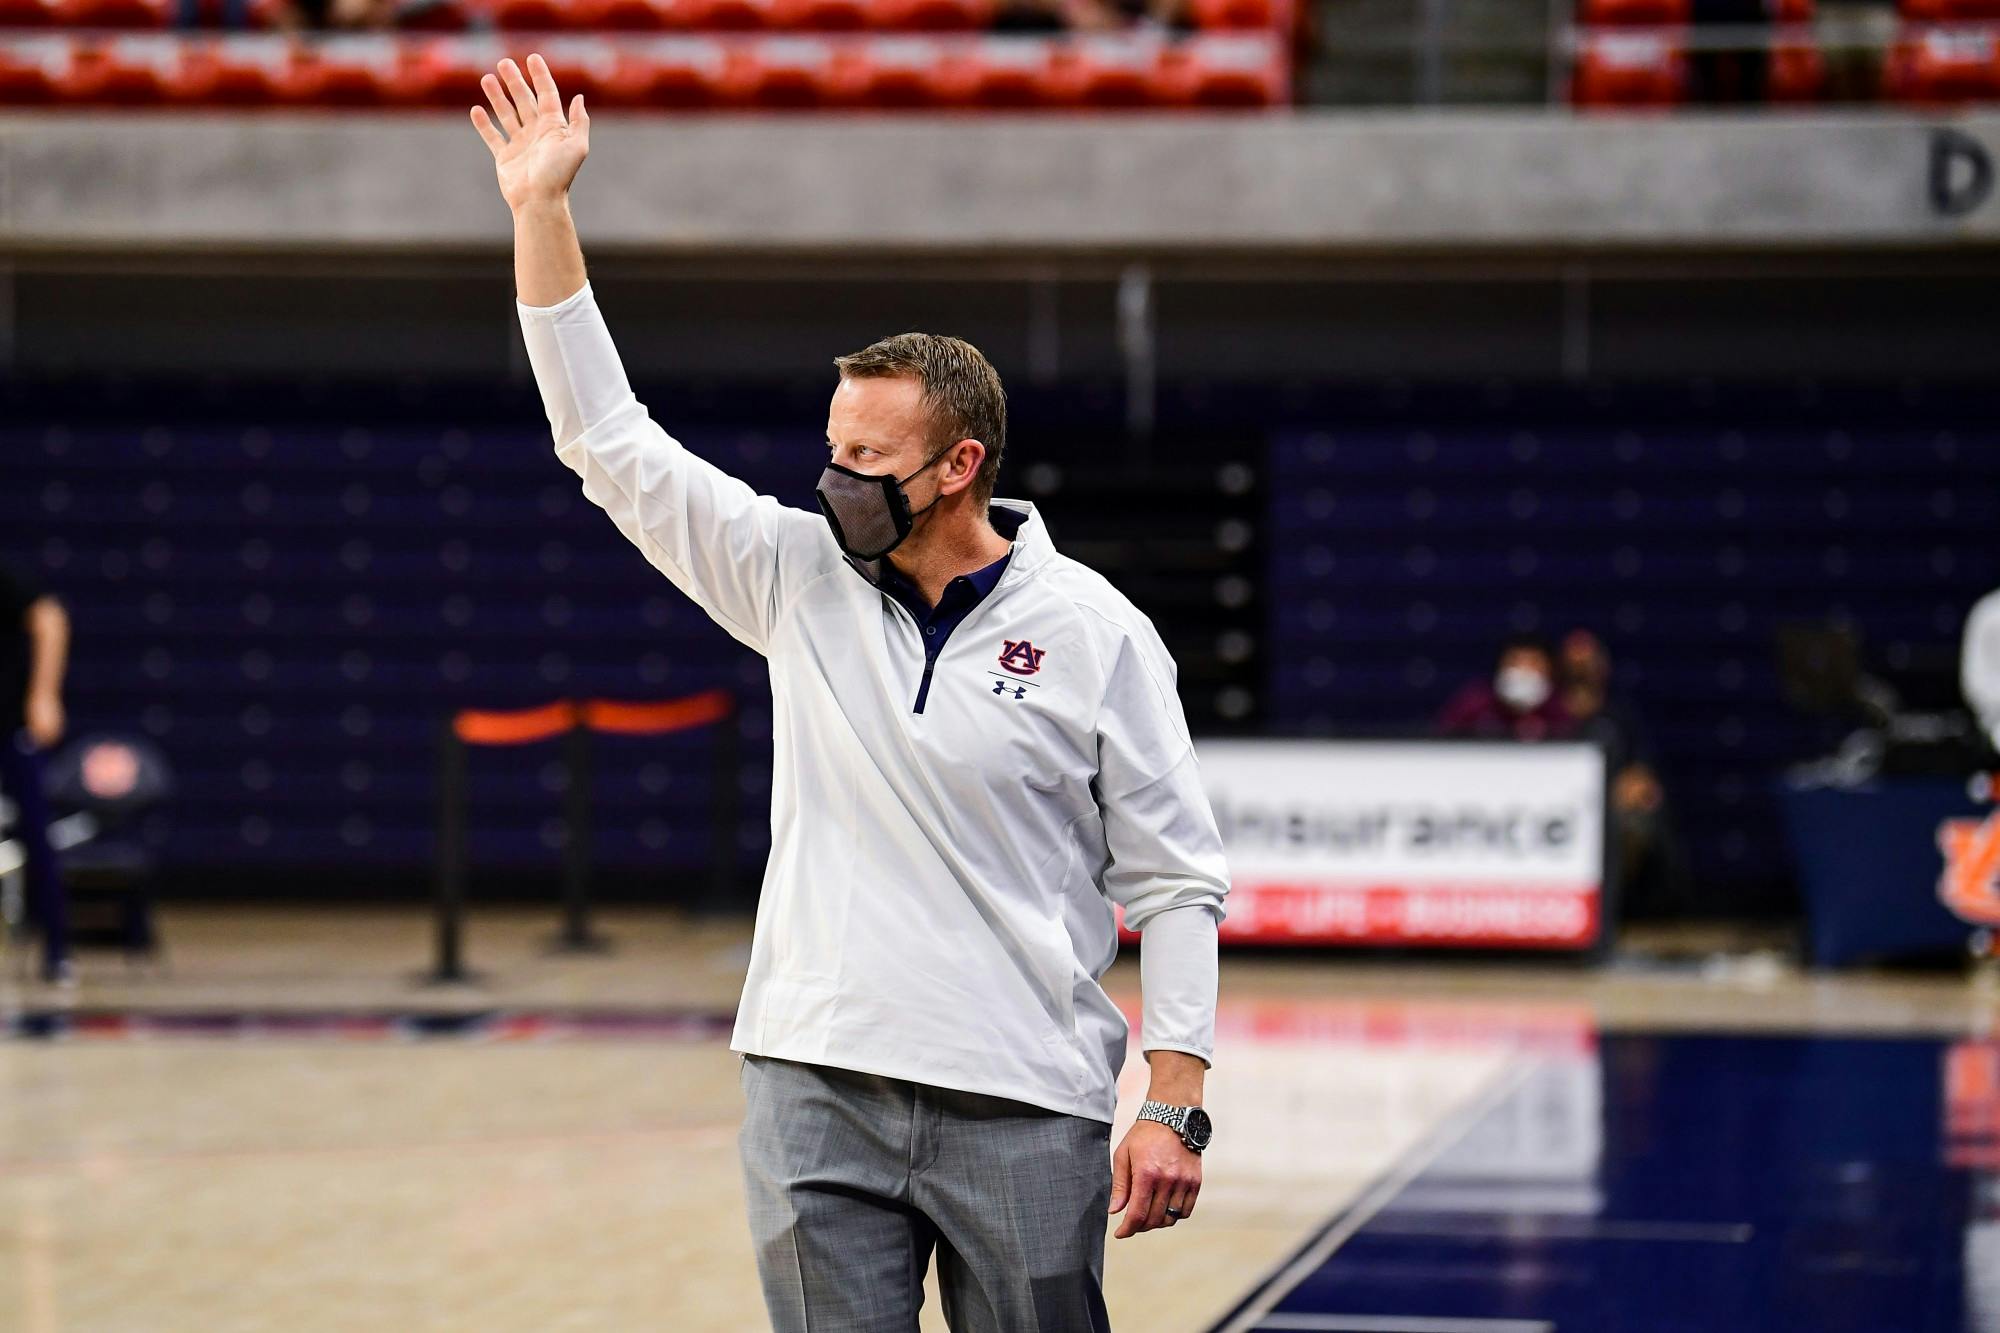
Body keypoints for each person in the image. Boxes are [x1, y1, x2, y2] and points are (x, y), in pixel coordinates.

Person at [470, 55, 1229, 1332]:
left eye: (868, 456)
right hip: (811, 1076)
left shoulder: (1097, 632)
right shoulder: (792, 574)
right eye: (832, 449)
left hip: (1022, 1089)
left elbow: (1175, 880)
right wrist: (540, 210)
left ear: (958, 466)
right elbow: (606, 440)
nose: (836, 479)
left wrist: (1173, 1096)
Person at [1559, 629, 1689, 920]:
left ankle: (1620, 908)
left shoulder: (1618, 715)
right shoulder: (1550, 715)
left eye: (1587, 663)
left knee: (1640, 820)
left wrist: (1628, 788)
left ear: (1602, 666)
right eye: (1574, 664)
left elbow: (1641, 773)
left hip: (1608, 806)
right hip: (1560, 807)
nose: (1581, 672)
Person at [1, 561, 73, 986]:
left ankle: (57, 951)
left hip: (11, 726)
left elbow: (50, 618)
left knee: (36, 833)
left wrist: (44, 695)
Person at [1435, 632, 1571, 742]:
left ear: (1549, 669)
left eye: (1533, 663)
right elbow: (1443, 738)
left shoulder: (1561, 706)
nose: (1523, 671)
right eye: (1514, 662)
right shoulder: (1474, 704)